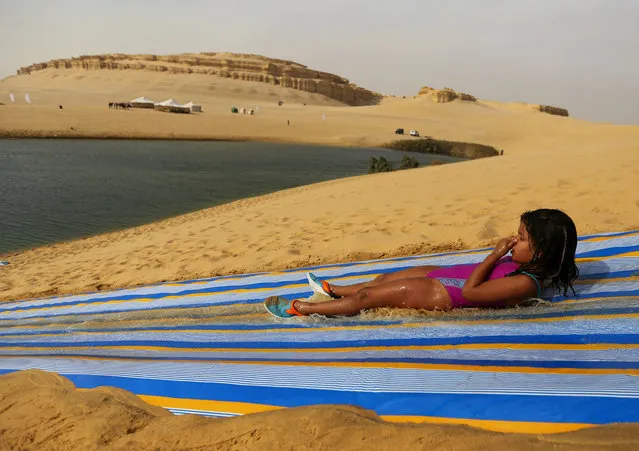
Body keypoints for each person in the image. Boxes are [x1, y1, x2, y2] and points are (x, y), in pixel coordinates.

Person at [265, 209, 578, 318]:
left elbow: (470, 293)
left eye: (522, 238)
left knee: (368, 298)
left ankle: (301, 309)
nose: (513, 239)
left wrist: (495, 254)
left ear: (540, 252)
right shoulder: (522, 267)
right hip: (447, 280)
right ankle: (334, 290)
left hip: (445, 294)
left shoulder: (525, 282)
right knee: (384, 279)